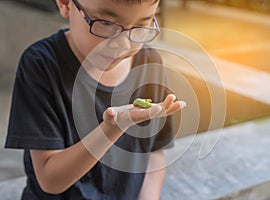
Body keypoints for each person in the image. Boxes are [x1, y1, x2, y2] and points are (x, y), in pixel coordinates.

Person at [5, 0, 186, 199]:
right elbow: (50, 180)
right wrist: (111, 130)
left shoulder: (150, 64)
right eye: (107, 23)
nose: (123, 44)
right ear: (66, 4)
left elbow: (153, 153)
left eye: (141, 26)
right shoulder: (41, 65)